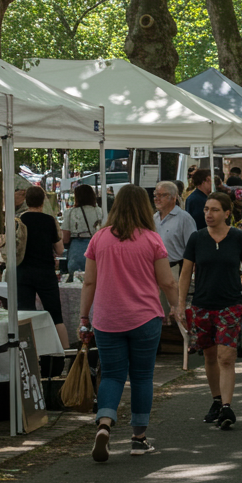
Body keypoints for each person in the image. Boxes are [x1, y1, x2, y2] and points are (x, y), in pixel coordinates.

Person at [79, 184, 184, 461]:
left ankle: (104, 424)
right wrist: (177, 306)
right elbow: (167, 281)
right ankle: (138, 437)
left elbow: (89, 281)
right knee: (141, 376)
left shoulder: (99, 239)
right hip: (144, 317)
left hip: (106, 318)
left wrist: (82, 317)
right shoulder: (152, 239)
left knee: (112, 374)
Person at [179, 191, 242, 430]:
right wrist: (180, 303)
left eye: (213, 210)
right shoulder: (196, 238)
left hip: (230, 305)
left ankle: (227, 407)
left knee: (226, 356)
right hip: (202, 304)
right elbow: (185, 273)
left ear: (227, 213)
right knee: (210, 356)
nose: (208, 214)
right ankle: (216, 400)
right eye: (206, 210)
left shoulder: (238, 238)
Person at [18, 186, 68, 351]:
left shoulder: (18, 220)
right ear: (43, 201)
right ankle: (66, 353)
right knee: (56, 315)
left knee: (25, 314)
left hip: (23, 272)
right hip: (46, 272)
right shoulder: (49, 220)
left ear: (26, 201)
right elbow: (60, 249)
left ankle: (28, 354)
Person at [64, 184, 104, 273]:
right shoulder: (100, 211)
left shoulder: (70, 213)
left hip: (76, 251)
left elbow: (65, 238)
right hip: (96, 249)